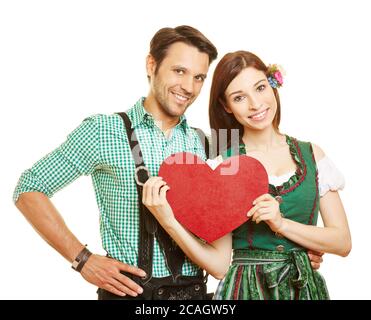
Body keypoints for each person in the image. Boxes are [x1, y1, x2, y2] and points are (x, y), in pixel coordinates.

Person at [13, 25, 218, 300]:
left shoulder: (202, 143)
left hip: (196, 295)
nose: (189, 87)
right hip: (130, 294)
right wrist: (82, 259)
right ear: (151, 64)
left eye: (199, 77)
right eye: (179, 71)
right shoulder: (103, 130)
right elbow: (29, 187)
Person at [142, 51, 351, 299]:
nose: (255, 104)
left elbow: (342, 241)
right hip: (246, 291)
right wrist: (168, 221)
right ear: (226, 106)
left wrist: (281, 224)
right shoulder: (223, 164)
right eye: (239, 97)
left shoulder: (312, 155)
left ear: (273, 86)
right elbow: (219, 266)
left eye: (260, 88)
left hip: (303, 289)